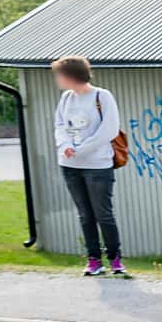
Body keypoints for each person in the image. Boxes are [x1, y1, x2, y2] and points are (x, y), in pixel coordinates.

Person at [50, 55, 124, 276]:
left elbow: (109, 129)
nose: (58, 80)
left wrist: (81, 148)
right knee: (84, 214)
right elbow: (59, 125)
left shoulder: (102, 96)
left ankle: (115, 259)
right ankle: (94, 260)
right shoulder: (66, 98)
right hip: (70, 164)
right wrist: (65, 146)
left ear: (71, 75)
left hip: (97, 163)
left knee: (103, 213)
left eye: (60, 75)